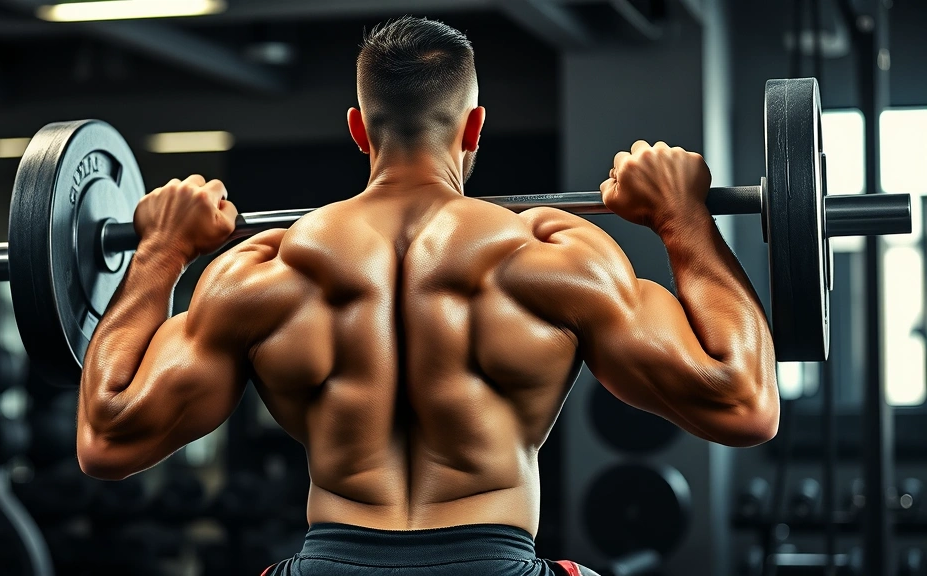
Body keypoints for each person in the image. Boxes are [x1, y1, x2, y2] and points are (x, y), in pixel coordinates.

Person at [75, 16, 779, 576]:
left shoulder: (263, 270)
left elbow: (107, 439)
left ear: (359, 129)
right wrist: (683, 219)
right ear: (474, 129)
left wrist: (159, 254)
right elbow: (744, 403)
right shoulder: (552, 256)